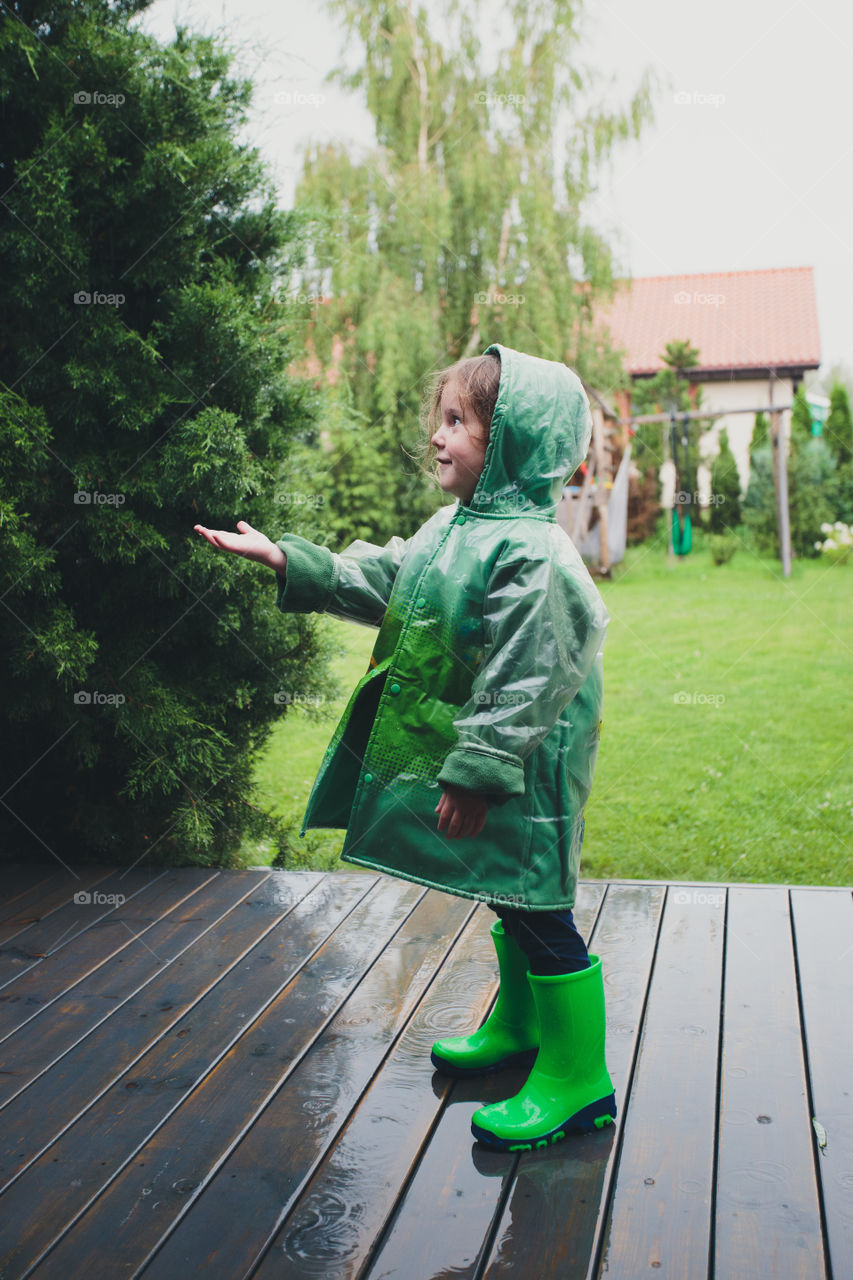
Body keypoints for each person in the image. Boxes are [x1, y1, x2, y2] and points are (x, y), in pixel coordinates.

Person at [193, 342, 616, 1151]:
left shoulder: (533, 555)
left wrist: (479, 771)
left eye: (460, 422)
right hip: (494, 758)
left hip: (525, 764)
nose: (438, 436)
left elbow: (529, 676)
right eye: (442, 418)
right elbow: (393, 581)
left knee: (538, 900)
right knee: (507, 892)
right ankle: (522, 1029)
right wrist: (291, 559)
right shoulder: (454, 528)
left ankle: (577, 1077)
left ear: (516, 444)